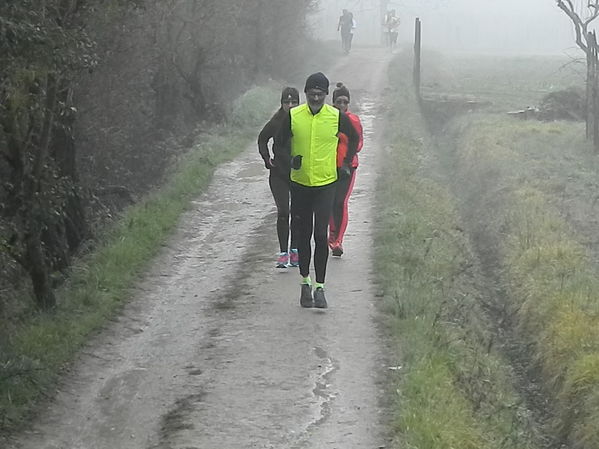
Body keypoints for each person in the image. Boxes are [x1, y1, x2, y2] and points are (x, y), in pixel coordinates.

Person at [276, 72, 359, 309]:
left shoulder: (335, 116)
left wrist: (345, 163)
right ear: (306, 94)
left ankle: (320, 287)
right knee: (303, 236)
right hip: (300, 183)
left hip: (326, 183)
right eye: (311, 94)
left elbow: (353, 138)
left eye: (319, 94)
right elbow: (279, 144)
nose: (315, 98)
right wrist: (289, 162)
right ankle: (305, 282)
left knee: (321, 236)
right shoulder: (293, 116)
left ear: (325, 95)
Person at [257, 87, 300, 268]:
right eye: (286, 102)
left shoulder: (303, 121)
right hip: (279, 174)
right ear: (281, 103)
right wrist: (267, 159)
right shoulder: (275, 122)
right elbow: (262, 139)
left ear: (298, 103)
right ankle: (283, 252)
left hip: (298, 173)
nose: (289, 106)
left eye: (293, 103)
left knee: (297, 214)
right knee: (283, 212)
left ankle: (295, 250)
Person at [329, 82, 363, 257]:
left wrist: (346, 158)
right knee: (329, 203)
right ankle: (331, 235)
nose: (342, 105)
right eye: (338, 102)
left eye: (345, 102)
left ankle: (338, 241)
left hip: (348, 168)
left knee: (340, 202)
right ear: (333, 102)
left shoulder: (353, 120)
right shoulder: (327, 118)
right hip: (327, 166)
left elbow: (358, 144)